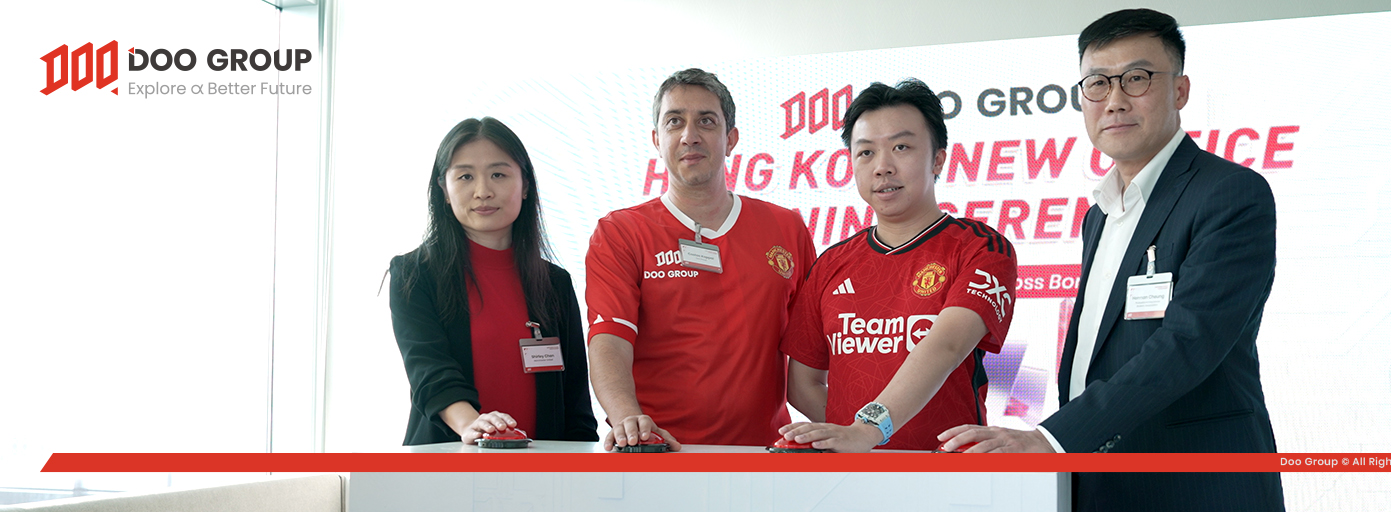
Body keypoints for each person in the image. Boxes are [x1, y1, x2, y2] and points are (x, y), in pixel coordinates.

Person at [937, 8, 1284, 511]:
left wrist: (1052, 439)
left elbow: (1188, 343)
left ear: (1180, 91)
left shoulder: (1229, 193)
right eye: (1098, 83)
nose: (1115, 100)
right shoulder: (1098, 214)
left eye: (1137, 78)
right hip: (1099, 479)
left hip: (1196, 483)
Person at [777, 79, 1017, 452]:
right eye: (866, 152)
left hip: (946, 472)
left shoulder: (980, 247)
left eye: (901, 147)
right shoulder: (831, 264)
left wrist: (867, 431)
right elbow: (802, 383)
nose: (882, 167)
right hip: (851, 473)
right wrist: (853, 438)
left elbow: (947, 346)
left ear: (937, 159)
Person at [584, 68, 816, 450]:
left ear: (731, 139)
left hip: (765, 455)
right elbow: (609, 340)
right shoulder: (620, 232)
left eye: (706, 121)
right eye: (675, 122)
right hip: (658, 451)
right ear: (657, 140)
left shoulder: (786, 227)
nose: (689, 135)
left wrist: (861, 428)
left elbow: (815, 353)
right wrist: (627, 419)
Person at [389, 117, 597, 446]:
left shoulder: (554, 283)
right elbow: (429, 372)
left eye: (498, 174)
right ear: (444, 190)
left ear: (525, 186)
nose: (483, 191)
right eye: (465, 176)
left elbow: (575, 403)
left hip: (545, 469)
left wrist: (582, 465)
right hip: (447, 463)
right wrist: (473, 425)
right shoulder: (414, 274)